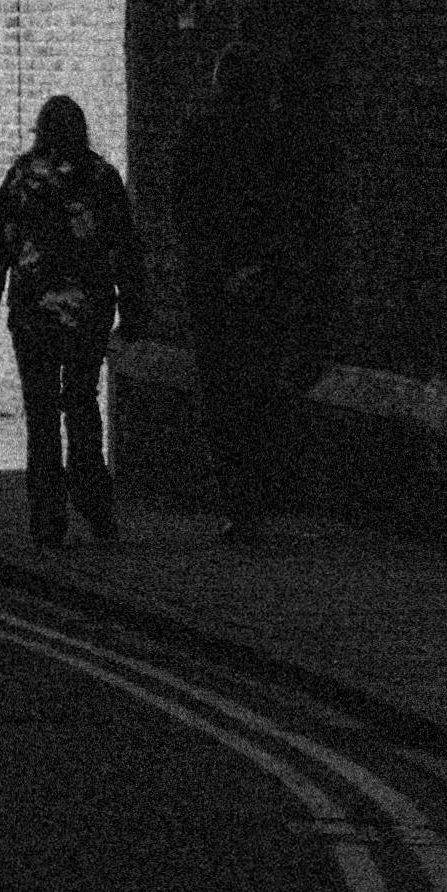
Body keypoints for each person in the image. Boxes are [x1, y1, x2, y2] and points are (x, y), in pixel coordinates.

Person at [0, 91, 147, 552]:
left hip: (33, 317)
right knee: (83, 404)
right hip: (88, 313)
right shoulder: (104, 179)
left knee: (42, 414)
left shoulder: (22, 180)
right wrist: (134, 312)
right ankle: (94, 503)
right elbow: (125, 249)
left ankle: (47, 518)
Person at [169, 37, 282, 540]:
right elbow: (294, 210)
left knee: (221, 394)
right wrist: (264, 264)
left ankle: (239, 504)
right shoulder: (278, 136)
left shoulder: (198, 133)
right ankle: (262, 496)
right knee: (261, 388)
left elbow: (188, 214)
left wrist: (217, 270)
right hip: (265, 282)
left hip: (212, 287)